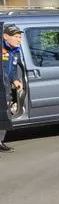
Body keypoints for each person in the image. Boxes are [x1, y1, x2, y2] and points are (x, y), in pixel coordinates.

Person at [1, 23, 24, 152]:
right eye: (16, 36)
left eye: (20, 37)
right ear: (5, 36)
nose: (19, 39)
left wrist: (15, 80)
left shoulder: (15, 52)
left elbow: (13, 69)